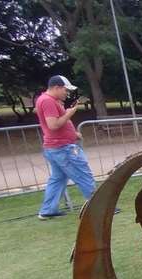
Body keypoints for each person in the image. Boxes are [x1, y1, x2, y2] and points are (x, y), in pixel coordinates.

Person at [35, 75, 96, 220]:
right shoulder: (48, 101)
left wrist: (73, 133)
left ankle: (48, 210)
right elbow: (53, 125)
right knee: (83, 174)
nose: (66, 93)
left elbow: (55, 126)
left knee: (58, 178)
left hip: (56, 147)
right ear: (56, 87)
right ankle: (98, 207)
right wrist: (70, 113)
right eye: (65, 90)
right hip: (62, 148)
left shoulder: (46, 100)